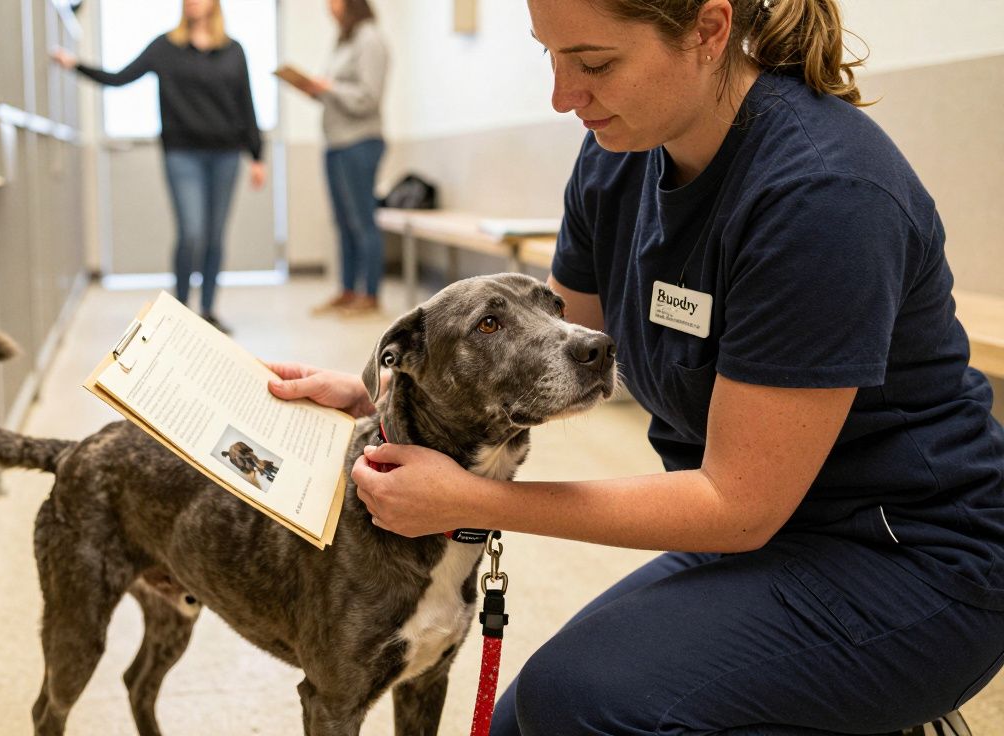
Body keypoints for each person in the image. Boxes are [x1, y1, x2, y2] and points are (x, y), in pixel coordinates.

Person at [267, 0, 1004, 733]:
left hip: (906, 560)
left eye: (595, 64)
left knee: (587, 710)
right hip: (753, 538)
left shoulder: (822, 195)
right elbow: (552, 360)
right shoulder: (616, 156)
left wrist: (473, 502)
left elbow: (738, 504)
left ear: (710, 31)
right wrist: (396, 399)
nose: (562, 96)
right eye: (549, 56)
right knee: (526, 718)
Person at [52, 0, 264, 334]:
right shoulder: (166, 47)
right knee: (191, 232)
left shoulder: (233, 50)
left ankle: (208, 310)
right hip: (182, 155)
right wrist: (76, 65)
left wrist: (257, 155)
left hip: (225, 156)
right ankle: (180, 311)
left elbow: (245, 103)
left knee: (214, 236)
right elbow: (119, 77)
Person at [301, 0, 390, 317]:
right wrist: (319, 90)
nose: (328, 6)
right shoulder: (345, 38)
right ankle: (348, 290)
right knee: (342, 223)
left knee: (362, 221)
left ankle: (371, 295)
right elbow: (340, 88)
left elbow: (368, 97)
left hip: (360, 143)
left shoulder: (369, 38)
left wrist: (330, 88)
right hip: (336, 143)